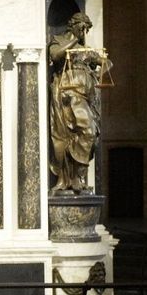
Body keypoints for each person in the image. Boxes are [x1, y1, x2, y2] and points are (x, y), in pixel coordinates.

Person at [48, 12, 112, 194]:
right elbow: (56, 55)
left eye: (87, 29)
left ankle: (77, 177)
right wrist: (74, 40)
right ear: (73, 25)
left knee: (90, 134)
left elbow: (108, 63)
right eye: (83, 27)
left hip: (85, 97)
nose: (85, 32)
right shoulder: (58, 40)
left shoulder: (87, 51)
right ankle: (66, 178)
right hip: (67, 96)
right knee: (75, 135)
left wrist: (99, 71)